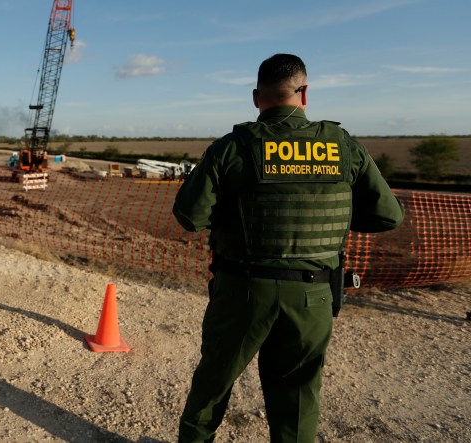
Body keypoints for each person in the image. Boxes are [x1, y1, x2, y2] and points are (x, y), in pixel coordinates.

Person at [173, 53, 404, 443]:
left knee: (212, 386)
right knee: (296, 399)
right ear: (305, 93)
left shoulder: (230, 147)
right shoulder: (343, 147)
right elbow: (388, 216)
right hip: (314, 295)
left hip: (242, 293)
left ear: (255, 97)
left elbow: (190, 217)